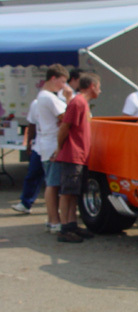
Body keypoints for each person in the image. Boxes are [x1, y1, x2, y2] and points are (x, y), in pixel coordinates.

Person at [55, 73, 101, 243]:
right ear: (92, 86)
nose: (100, 91)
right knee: (67, 192)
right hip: (73, 155)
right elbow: (64, 127)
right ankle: (64, 228)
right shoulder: (78, 102)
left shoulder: (83, 103)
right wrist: (60, 149)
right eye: (99, 87)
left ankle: (72, 224)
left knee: (75, 192)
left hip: (80, 155)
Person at [36, 64, 69, 234]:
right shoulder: (48, 97)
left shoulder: (44, 96)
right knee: (53, 184)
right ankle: (54, 220)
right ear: (53, 78)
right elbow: (67, 117)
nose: (63, 86)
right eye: (62, 82)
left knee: (52, 183)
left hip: (48, 143)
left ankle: (52, 219)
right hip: (52, 144)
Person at [11, 99, 45, 214]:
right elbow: (32, 124)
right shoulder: (36, 103)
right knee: (32, 175)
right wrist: (29, 142)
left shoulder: (60, 103)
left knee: (54, 182)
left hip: (54, 148)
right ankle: (26, 203)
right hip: (39, 146)